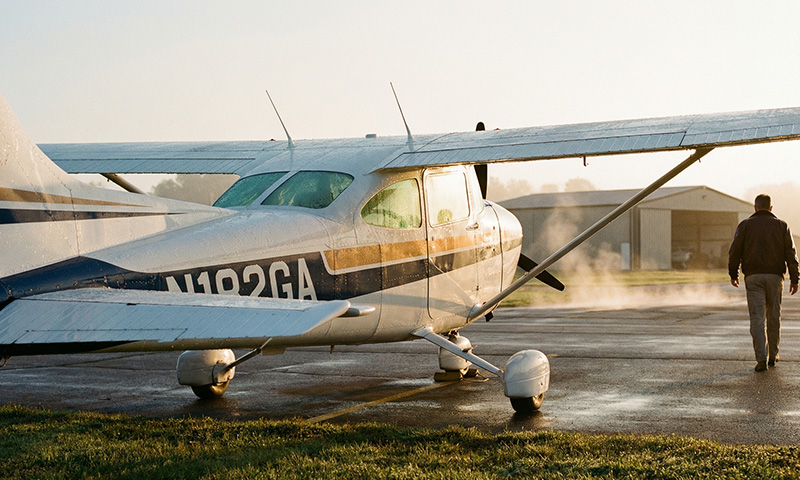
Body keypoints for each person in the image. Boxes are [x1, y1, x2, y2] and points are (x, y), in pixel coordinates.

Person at [728, 194, 799, 372]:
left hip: (753, 277)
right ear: (771, 208)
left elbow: (735, 250)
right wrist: (795, 278)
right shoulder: (782, 226)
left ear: (755, 208)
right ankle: (773, 355)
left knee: (757, 318)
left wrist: (733, 273)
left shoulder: (745, 225)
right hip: (775, 277)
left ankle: (761, 358)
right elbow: (791, 253)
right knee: (773, 316)